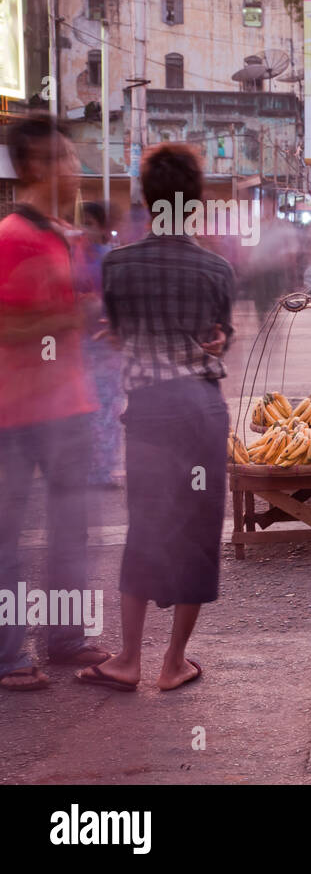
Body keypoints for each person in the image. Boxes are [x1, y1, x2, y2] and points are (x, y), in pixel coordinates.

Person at [77, 143, 235, 693]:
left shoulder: (118, 265)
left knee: (145, 526)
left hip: (149, 415)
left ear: (146, 200)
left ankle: (126, 660)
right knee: (196, 534)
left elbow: (117, 332)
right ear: (193, 203)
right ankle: (173, 662)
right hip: (201, 412)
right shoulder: (216, 268)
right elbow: (220, 340)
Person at [0, 116, 107, 691]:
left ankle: (64, 637)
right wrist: (73, 317)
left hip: (68, 405)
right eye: (67, 159)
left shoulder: (63, 234)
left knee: (71, 529)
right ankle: (8, 656)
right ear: (39, 166)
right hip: (16, 412)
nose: (75, 170)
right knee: (7, 537)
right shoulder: (12, 237)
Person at [70, 201, 124, 487]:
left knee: (106, 407)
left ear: (102, 226)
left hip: (105, 344)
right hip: (80, 343)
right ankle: (88, 465)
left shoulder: (110, 259)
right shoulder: (75, 254)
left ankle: (102, 470)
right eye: (83, 222)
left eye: (91, 223)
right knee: (85, 405)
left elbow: (119, 301)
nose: (85, 229)